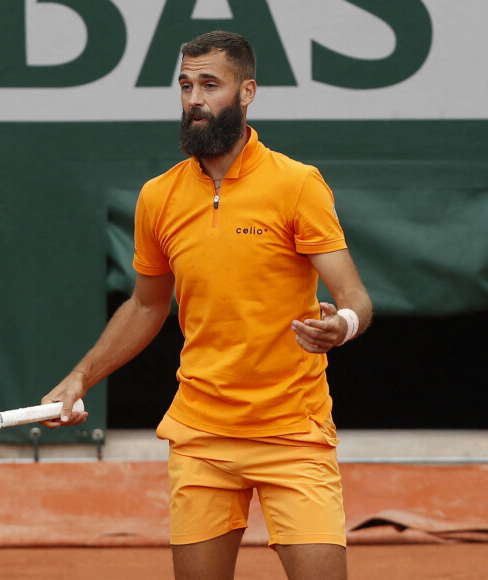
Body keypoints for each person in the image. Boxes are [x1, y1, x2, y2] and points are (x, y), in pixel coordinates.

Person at [41, 30, 372, 580]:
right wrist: (82, 377)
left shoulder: (297, 185)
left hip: (293, 431)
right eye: (186, 85)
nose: (194, 99)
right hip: (201, 436)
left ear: (247, 93)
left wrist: (343, 324)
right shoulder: (158, 197)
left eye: (210, 85)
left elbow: (354, 295)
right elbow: (146, 306)